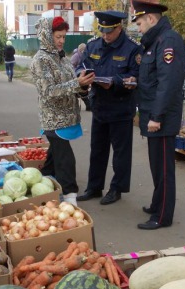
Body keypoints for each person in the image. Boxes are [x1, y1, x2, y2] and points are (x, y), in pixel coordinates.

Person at [76, 11, 142, 206]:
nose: (105, 35)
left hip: (121, 108)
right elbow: (81, 66)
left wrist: (115, 83)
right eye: (103, 31)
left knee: (121, 153)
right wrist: (83, 76)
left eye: (109, 32)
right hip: (100, 106)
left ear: (119, 28)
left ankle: (116, 189)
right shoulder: (93, 45)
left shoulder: (132, 49)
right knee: (97, 149)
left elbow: (136, 76)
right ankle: (94, 187)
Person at [130, 0, 185, 230]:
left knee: (163, 169)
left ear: (151, 19)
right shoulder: (155, 41)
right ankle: (157, 203)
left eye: (140, 22)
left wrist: (156, 116)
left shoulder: (168, 40)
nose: (139, 28)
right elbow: (153, 78)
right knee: (156, 165)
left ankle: (162, 216)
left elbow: (168, 83)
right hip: (154, 114)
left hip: (161, 118)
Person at [29, 16, 95, 206]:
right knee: (65, 158)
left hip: (68, 117)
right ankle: (70, 196)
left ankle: (40, 186)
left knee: (54, 157)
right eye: (58, 36)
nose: (61, 41)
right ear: (47, 36)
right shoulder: (41, 60)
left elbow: (70, 84)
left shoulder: (62, 57)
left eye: (64, 37)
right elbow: (48, 91)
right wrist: (76, 83)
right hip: (53, 119)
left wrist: (82, 85)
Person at [70, 43, 91, 111]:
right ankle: (88, 105)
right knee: (80, 90)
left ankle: (88, 105)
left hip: (82, 75)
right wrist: (75, 73)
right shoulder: (76, 56)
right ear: (81, 50)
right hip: (75, 75)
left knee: (82, 90)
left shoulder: (84, 56)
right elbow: (71, 66)